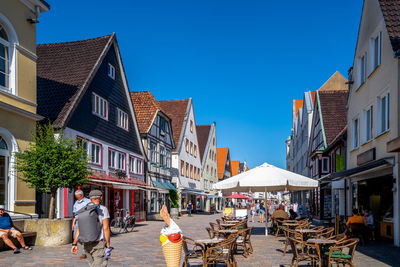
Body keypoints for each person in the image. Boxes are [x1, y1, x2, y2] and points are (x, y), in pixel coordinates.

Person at [71, 190, 111, 267]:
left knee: (92, 264)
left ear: (90, 198)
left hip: (86, 244)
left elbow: (79, 228)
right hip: (99, 243)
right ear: (101, 197)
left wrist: (74, 243)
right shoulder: (103, 209)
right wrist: (108, 243)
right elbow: (106, 228)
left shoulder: (84, 209)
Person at [72, 190, 91, 260]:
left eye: (77, 196)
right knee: (76, 237)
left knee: (84, 237)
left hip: (85, 221)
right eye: (75, 196)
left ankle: (85, 252)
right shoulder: (76, 202)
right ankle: (87, 249)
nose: (76, 197)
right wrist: (73, 223)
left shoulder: (88, 202)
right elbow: (75, 213)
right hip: (78, 221)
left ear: (81, 195)